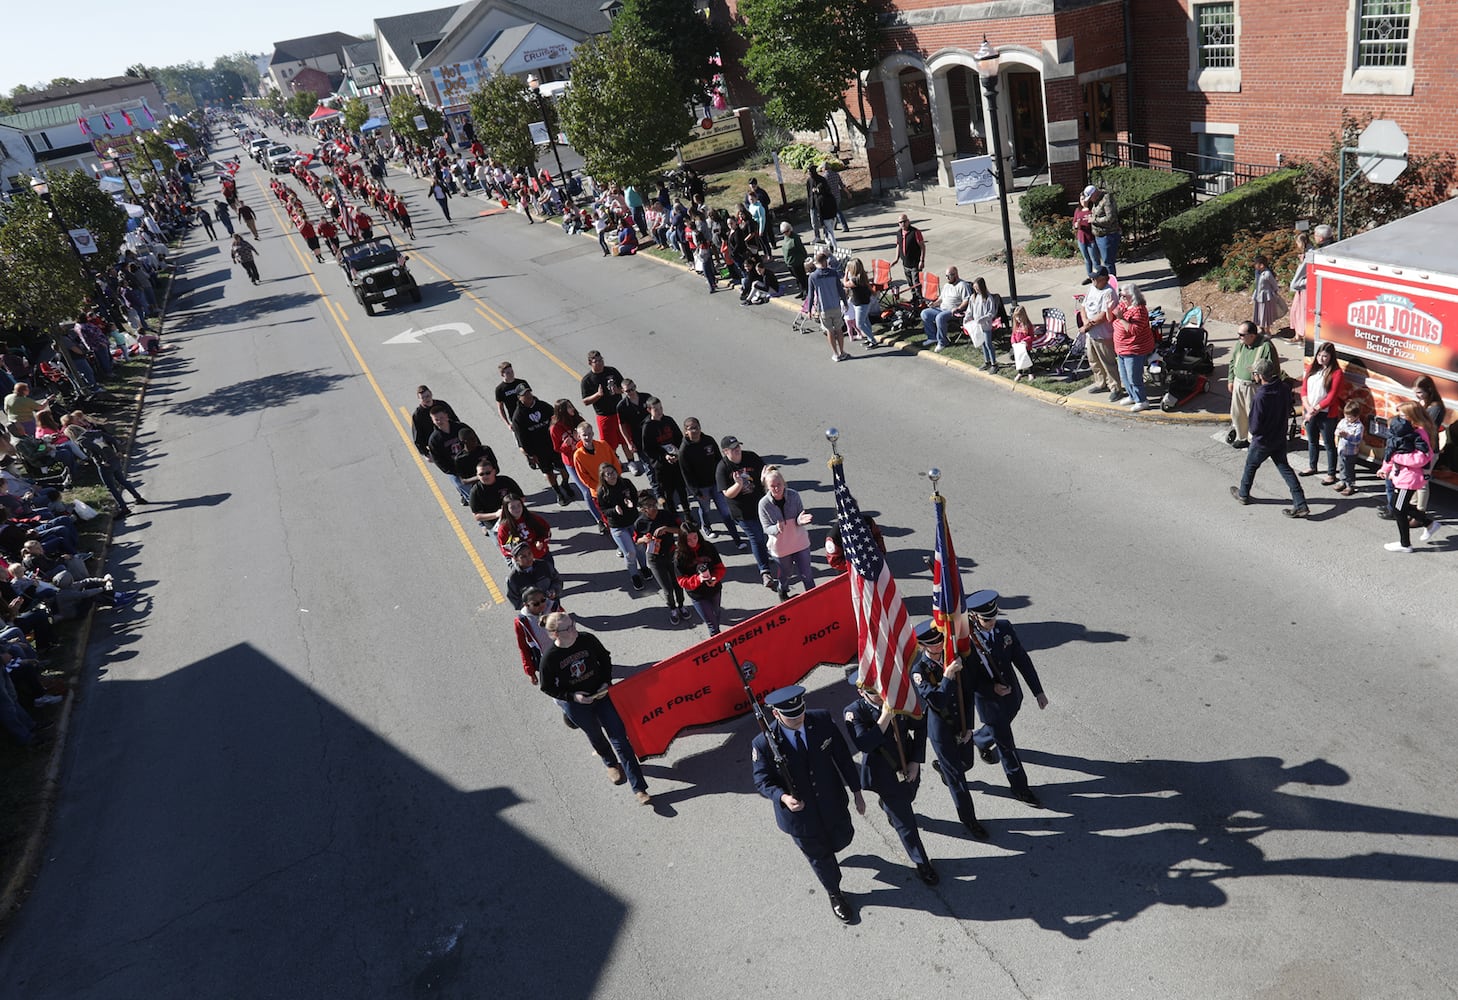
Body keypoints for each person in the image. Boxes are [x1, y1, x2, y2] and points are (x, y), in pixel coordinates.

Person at [751, 685, 865, 923]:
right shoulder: (762, 743)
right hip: (800, 817)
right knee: (821, 858)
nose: (798, 719)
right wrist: (782, 797)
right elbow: (762, 779)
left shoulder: (821, 720)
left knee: (841, 839)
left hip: (831, 801)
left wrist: (856, 791)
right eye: (791, 717)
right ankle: (835, 893)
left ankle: (831, 859)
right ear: (776, 714)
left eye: (800, 712)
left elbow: (843, 756)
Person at [538, 613, 652, 805]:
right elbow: (547, 687)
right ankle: (610, 763)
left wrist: (606, 682)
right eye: (568, 628)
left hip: (602, 695)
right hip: (577, 704)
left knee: (620, 739)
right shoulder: (550, 658)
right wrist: (573, 697)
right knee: (595, 734)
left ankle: (639, 788)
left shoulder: (587, 639)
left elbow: (604, 658)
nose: (574, 629)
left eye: (573, 624)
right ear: (555, 634)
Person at [842, 681, 938, 886]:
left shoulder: (900, 699)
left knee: (910, 795)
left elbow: (920, 725)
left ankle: (886, 806)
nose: (879, 694)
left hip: (907, 763)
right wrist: (885, 717)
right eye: (872, 692)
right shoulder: (854, 712)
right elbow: (864, 744)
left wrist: (916, 761)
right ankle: (922, 863)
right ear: (861, 692)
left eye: (880, 688)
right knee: (906, 821)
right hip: (883, 772)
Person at [965, 590, 1049, 808]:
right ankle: (1020, 788)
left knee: (1004, 723)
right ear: (974, 617)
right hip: (989, 703)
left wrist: (1037, 691)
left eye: (993, 617)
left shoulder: (1004, 628)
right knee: (1007, 746)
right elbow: (967, 679)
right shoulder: (967, 643)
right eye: (986, 619)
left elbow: (1021, 659)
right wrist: (991, 687)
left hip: (1012, 697)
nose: (991, 622)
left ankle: (980, 739)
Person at [910, 621, 990, 839]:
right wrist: (947, 675)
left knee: (967, 764)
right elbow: (937, 700)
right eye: (932, 644)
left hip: (961, 723)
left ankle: (944, 769)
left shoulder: (952, 657)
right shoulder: (919, 672)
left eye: (940, 641)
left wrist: (970, 727)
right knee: (958, 779)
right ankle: (970, 820)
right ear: (922, 646)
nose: (938, 646)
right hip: (941, 730)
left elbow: (967, 694)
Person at [1229, 358, 1310, 518]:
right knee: (1285, 469)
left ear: (1260, 375)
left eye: (1255, 373)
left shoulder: (1260, 396)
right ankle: (1300, 503)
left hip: (1263, 442)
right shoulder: (1284, 388)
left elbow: (1255, 426)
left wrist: (1256, 434)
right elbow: (1288, 408)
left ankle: (1243, 494)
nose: (1254, 376)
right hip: (1279, 438)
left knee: (1251, 466)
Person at [1378, 401, 1440, 552]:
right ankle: (1429, 523)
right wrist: (1385, 468)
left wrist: (1398, 459)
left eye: (1403, 415)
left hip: (1409, 478)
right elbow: (1392, 450)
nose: (1400, 417)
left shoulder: (1420, 433)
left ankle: (1405, 544)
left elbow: (1422, 458)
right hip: (1402, 476)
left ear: (1413, 416)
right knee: (1398, 505)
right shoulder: (1405, 430)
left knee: (1398, 509)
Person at [716, 436, 776, 588]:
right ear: (725, 451)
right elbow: (727, 494)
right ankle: (765, 571)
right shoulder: (722, 468)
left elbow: (765, 470)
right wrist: (738, 484)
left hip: (761, 505)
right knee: (756, 538)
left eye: (738, 447)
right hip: (742, 512)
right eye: (733, 448)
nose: (737, 450)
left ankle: (776, 554)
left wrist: (769, 473)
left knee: (769, 533)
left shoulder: (751, 456)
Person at [678, 419, 745, 548]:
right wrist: (696, 492)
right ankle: (706, 526)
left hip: (716, 483)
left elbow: (720, 461)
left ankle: (738, 540)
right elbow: (686, 474)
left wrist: (726, 478)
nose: (695, 430)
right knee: (706, 509)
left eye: (697, 427)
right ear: (686, 431)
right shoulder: (684, 450)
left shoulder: (708, 441)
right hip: (701, 488)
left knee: (725, 512)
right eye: (691, 428)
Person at [510, 385, 574, 506]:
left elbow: (556, 419)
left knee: (563, 468)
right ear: (519, 398)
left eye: (529, 392)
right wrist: (530, 455)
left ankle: (565, 483)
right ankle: (558, 492)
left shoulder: (543, 406)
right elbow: (522, 438)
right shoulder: (518, 416)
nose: (528, 395)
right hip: (538, 450)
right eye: (525, 394)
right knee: (548, 472)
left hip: (554, 445)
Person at [758, 467, 815, 601]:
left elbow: (800, 515)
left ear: (784, 483)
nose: (777, 488)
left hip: (799, 542)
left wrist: (800, 521)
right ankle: (782, 589)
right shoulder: (763, 504)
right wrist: (777, 528)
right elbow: (766, 528)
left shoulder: (794, 495)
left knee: (807, 574)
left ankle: (814, 597)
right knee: (786, 574)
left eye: (779, 485)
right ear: (767, 487)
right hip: (781, 547)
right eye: (772, 486)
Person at [596, 465, 651, 591]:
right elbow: (603, 510)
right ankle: (634, 575)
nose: (612, 475)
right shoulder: (602, 491)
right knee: (630, 553)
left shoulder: (625, 483)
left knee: (640, 547)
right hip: (618, 527)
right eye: (608, 474)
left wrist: (631, 502)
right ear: (604, 477)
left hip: (633, 522)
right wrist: (614, 510)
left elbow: (635, 496)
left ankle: (644, 567)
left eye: (613, 472)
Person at [1227, 321, 1281, 449]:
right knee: (1237, 413)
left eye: (1242, 334)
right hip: (1238, 383)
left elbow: (1272, 369)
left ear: (1252, 335)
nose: (1239, 337)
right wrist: (1230, 380)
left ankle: (1254, 440)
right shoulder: (1240, 345)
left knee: (1254, 415)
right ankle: (1242, 437)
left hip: (1254, 387)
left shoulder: (1265, 346)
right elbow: (1232, 362)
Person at [579, 351, 637, 470]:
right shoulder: (587, 380)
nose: (600, 363)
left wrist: (618, 391)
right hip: (604, 416)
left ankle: (631, 462)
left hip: (619, 412)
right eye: (597, 361)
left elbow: (624, 389)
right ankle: (616, 461)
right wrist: (598, 395)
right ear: (590, 363)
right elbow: (585, 401)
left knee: (625, 439)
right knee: (608, 444)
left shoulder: (612, 371)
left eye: (601, 360)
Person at [1299, 342, 1346, 485]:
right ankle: (1312, 466)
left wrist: (1315, 409)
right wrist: (1308, 407)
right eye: (1319, 355)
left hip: (1326, 413)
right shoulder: (1311, 369)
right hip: (1311, 410)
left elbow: (1332, 397)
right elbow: (1304, 390)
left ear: (1331, 357)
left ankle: (1331, 473)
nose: (1321, 358)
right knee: (1312, 440)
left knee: (1328, 443)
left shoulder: (1336, 373)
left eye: (1325, 356)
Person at [634, 493, 685, 623]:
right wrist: (643, 539)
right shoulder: (640, 523)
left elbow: (681, 530)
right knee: (667, 588)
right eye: (650, 506)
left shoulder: (665, 515)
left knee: (678, 583)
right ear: (642, 509)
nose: (654, 507)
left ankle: (681, 606)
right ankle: (673, 609)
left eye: (654, 504)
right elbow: (636, 540)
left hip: (671, 554)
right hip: (654, 559)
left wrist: (667, 529)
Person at [673, 521, 725, 634]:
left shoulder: (708, 547)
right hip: (698, 595)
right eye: (689, 540)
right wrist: (698, 579)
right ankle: (718, 642)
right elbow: (681, 581)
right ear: (683, 540)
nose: (693, 542)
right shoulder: (679, 556)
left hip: (714, 589)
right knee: (712, 625)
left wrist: (715, 578)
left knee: (716, 613)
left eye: (695, 537)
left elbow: (720, 567)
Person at [1112, 283, 1157, 412]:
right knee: (1124, 375)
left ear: (1132, 296)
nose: (1121, 298)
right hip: (1121, 349)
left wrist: (1120, 318)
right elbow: (1113, 315)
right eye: (1120, 295)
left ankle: (1142, 400)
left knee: (1134, 377)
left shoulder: (1140, 310)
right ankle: (1132, 396)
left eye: (1124, 296)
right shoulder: (1124, 305)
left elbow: (1134, 330)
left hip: (1134, 349)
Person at [1079, 268, 1119, 394]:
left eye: (1095, 278)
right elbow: (1083, 307)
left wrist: (1087, 326)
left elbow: (1103, 316)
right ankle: (1101, 383)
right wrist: (1085, 321)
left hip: (1103, 335)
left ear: (1103, 279)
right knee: (1093, 361)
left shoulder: (1108, 292)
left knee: (1108, 363)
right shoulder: (1092, 288)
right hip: (1091, 335)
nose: (1092, 280)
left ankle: (1115, 388)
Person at [426, 404, 475, 505]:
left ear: (447, 416)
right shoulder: (434, 440)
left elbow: (475, 441)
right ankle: (474, 503)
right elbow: (439, 461)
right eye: (436, 419)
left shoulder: (460, 428)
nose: (440, 421)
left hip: (470, 462)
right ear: (433, 421)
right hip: (455, 469)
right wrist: (454, 472)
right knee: (461, 485)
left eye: (442, 418)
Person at [806, 251, 849, 363]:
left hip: (823, 309)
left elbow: (810, 295)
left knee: (829, 331)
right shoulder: (833, 273)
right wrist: (845, 302)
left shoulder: (813, 276)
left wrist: (809, 310)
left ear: (817, 262)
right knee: (839, 329)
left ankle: (835, 354)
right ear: (825, 261)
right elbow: (840, 289)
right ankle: (842, 352)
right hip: (835, 306)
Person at [920, 267, 971, 353]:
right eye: (946, 276)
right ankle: (932, 337)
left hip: (954, 311)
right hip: (941, 308)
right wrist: (933, 304)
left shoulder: (963, 285)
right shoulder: (946, 285)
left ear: (956, 275)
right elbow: (941, 299)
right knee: (925, 313)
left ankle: (942, 342)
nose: (947, 278)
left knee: (940, 318)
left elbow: (967, 300)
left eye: (949, 276)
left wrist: (958, 308)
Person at [495, 494, 552, 569]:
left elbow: (546, 531)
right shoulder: (504, 528)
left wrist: (541, 542)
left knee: (551, 577)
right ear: (507, 510)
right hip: (523, 563)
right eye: (513, 507)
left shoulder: (532, 517)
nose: (517, 509)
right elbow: (505, 548)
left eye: (519, 505)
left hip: (541, 555)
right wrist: (521, 554)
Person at [469, 461, 524, 533]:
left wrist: (512, 508)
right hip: (495, 524)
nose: (485, 476)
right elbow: (477, 516)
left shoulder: (505, 481)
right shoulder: (475, 491)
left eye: (488, 473)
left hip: (515, 516)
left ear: (494, 471)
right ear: (477, 475)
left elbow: (521, 498)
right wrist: (496, 514)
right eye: (481, 474)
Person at [410, 386, 457, 461]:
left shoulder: (442, 405)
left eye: (427, 396)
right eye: (423, 398)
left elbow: (455, 420)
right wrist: (426, 453)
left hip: (452, 441)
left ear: (431, 394)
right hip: (437, 446)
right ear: (419, 399)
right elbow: (417, 437)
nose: (426, 399)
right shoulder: (418, 415)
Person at [1085, 184, 1121, 277]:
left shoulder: (1106, 199)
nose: (1090, 200)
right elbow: (1098, 214)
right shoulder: (1096, 201)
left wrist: (1094, 220)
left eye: (1090, 198)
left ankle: (1111, 283)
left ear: (1095, 193)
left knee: (1108, 261)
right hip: (1099, 235)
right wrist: (1091, 217)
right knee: (1104, 260)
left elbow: (1110, 218)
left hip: (1108, 235)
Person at [844, 259, 880, 348]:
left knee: (859, 324)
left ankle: (873, 340)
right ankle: (869, 338)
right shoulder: (862, 276)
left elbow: (845, 284)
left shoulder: (855, 280)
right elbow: (868, 285)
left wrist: (845, 274)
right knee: (865, 320)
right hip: (863, 302)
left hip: (861, 304)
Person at [1334, 399, 1365, 496]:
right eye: (1346, 416)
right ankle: (1342, 481)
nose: (1347, 419)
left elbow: (1357, 440)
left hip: (1351, 452)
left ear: (1356, 416)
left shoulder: (1359, 426)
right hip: (1342, 449)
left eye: (1350, 417)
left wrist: (1347, 435)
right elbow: (1336, 430)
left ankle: (1350, 485)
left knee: (1349, 469)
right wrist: (1338, 434)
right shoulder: (1343, 421)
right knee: (1342, 466)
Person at [1251, 255, 1287, 338]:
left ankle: (1267, 331)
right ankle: (1261, 329)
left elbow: (1274, 284)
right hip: (1258, 296)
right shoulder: (1257, 272)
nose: (1255, 265)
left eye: (1256, 264)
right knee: (1259, 313)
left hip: (1266, 297)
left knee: (1265, 315)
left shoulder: (1267, 274)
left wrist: (1275, 292)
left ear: (1262, 265)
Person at [1073, 191, 1101, 283]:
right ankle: (1090, 276)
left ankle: (1098, 276)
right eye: (1081, 199)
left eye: (1084, 199)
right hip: (1081, 238)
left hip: (1091, 238)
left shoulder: (1091, 209)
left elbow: (1096, 221)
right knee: (1086, 259)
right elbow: (1074, 223)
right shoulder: (1078, 210)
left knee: (1095, 259)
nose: (1083, 201)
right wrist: (1076, 225)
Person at [894, 214, 926, 293]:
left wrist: (922, 260)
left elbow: (922, 246)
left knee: (916, 284)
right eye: (900, 222)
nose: (902, 224)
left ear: (908, 221)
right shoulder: (899, 233)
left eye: (904, 221)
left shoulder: (915, 232)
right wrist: (896, 258)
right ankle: (914, 298)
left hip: (915, 264)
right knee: (910, 283)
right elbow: (898, 245)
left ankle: (920, 300)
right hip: (905, 264)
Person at [493, 362, 531, 429]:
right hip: (516, 419)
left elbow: (531, 398)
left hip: (529, 415)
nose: (511, 374)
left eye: (512, 371)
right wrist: (508, 424)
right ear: (502, 374)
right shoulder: (500, 389)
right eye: (508, 373)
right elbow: (501, 408)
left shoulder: (522, 383)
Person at [781, 223, 809, 299]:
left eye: (786, 231)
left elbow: (801, 248)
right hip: (790, 263)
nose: (785, 233)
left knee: (801, 277)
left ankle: (805, 291)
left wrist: (804, 257)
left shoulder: (795, 238)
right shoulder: (785, 238)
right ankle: (801, 291)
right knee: (797, 278)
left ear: (790, 229)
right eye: (783, 232)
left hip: (797, 261)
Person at [1009, 305, 1037, 383]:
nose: (1018, 319)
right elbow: (1013, 334)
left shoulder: (1028, 325)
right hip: (1018, 346)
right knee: (1018, 360)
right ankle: (1020, 372)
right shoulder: (1016, 325)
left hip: (1026, 346)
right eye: (1016, 317)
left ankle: (1030, 372)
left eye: (1019, 317)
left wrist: (1025, 340)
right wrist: (1013, 342)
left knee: (1028, 359)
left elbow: (1031, 336)